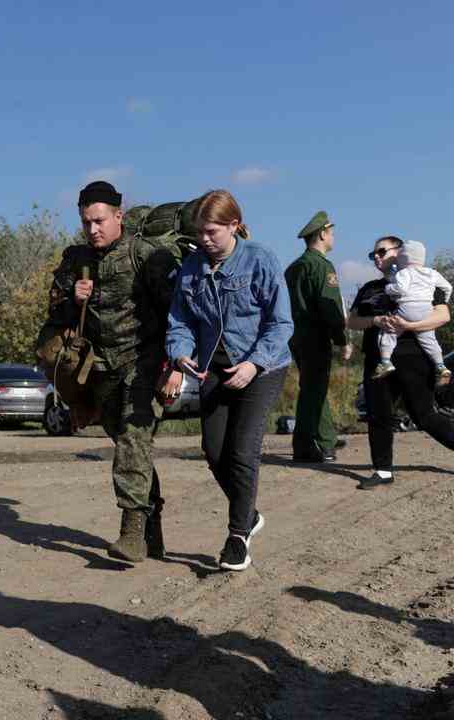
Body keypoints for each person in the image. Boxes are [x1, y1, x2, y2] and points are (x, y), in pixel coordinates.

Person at [37, 181, 183, 564]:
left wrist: (174, 367)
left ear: (119, 216)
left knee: (134, 440)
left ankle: (131, 533)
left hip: (143, 360)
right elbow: (54, 317)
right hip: (100, 367)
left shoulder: (146, 254)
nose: (92, 229)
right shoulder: (75, 260)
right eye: (86, 222)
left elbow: (177, 315)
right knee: (128, 446)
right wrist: (73, 299)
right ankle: (152, 528)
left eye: (99, 220)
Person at [167, 189, 293, 571]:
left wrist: (253, 365)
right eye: (200, 233)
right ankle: (250, 513)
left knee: (242, 451)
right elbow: (181, 320)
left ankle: (238, 536)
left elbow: (281, 323)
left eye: (212, 232)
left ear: (234, 226)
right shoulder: (191, 267)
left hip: (262, 368)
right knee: (214, 451)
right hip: (212, 370)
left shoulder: (261, 260)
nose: (205, 240)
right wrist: (180, 351)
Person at [346, 236, 454, 490]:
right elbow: (352, 321)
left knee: (424, 415)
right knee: (378, 414)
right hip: (378, 360)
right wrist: (375, 321)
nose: (377, 257)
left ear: (399, 252)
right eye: (373, 255)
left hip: (414, 357)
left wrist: (410, 326)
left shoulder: (425, 278)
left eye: (382, 252)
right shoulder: (370, 288)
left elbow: (443, 315)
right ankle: (383, 470)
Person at [285, 211, 351, 463]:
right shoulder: (322, 266)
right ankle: (304, 446)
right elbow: (331, 307)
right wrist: (342, 340)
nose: (333, 237)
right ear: (322, 233)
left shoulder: (294, 268)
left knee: (314, 388)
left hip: (297, 337)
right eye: (331, 232)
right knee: (313, 391)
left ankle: (326, 439)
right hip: (316, 337)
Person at [373, 240, 452, 380]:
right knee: (429, 339)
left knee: (389, 332)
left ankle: (385, 361)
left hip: (407, 308)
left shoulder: (404, 273)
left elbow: (401, 289)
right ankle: (440, 366)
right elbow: (448, 287)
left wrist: (389, 289)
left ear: (403, 258)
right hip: (426, 310)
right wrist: (444, 300)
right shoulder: (432, 273)